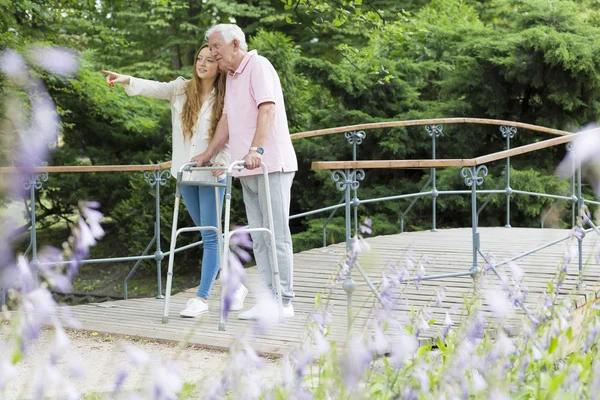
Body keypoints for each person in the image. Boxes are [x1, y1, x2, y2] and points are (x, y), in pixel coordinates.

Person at [102, 44, 248, 318]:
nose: (202, 64)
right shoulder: (182, 89)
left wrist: (223, 160)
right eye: (199, 59)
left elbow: (231, 132)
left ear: (218, 66)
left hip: (213, 171)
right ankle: (236, 285)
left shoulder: (227, 95)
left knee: (211, 237)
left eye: (209, 60)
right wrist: (127, 80)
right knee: (210, 232)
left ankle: (202, 298)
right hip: (185, 172)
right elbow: (156, 87)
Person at [192, 24, 298, 320]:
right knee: (260, 237)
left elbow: (267, 109)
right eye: (210, 48)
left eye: (216, 48)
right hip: (246, 169)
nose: (212, 54)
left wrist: (257, 149)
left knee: (276, 234)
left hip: (270, 165)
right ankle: (268, 298)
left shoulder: (258, 66)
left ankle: (284, 301)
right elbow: (226, 119)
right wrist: (209, 154)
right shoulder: (232, 77)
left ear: (235, 44)